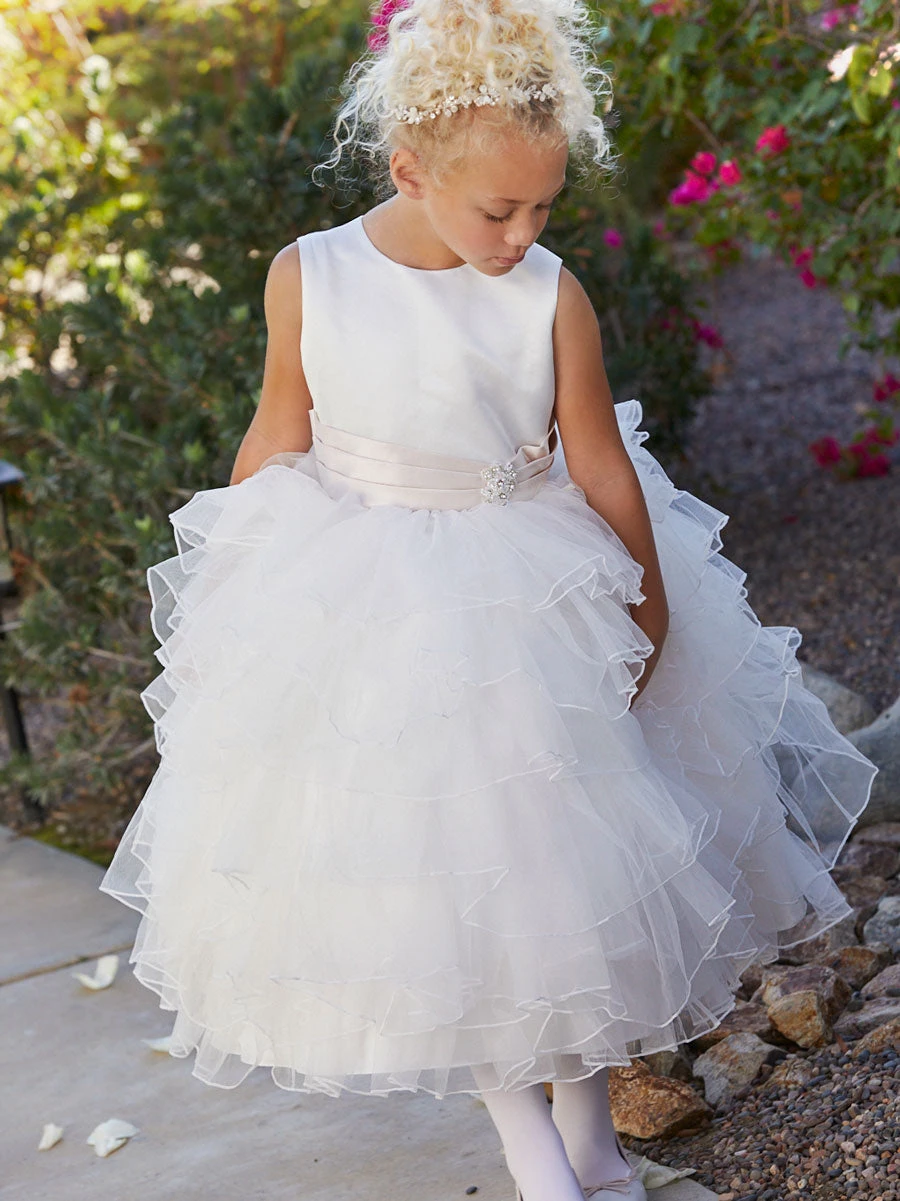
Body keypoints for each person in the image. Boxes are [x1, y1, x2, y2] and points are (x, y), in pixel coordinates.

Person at [98, 1, 878, 1198]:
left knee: (571, 878)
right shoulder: (312, 277)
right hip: (376, 607)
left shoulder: (548, 294)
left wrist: (649, 605)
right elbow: (280, 429)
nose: (522, 234)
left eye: (545, 207)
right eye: (496, 210)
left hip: (531, 589)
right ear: (412, 171)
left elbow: (600, 462)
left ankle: (596, 1139)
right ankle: (538, 1159)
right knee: (460, 889)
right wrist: (232, 583)